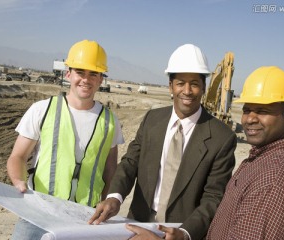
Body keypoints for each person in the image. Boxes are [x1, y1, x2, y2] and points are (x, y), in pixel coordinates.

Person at [88, 44, 237, 240]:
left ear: (203, 87)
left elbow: (213, 197)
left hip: (180, 231)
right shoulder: (152, 120)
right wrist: (114, 197)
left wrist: (184, 233)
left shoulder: (221, 137)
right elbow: (130, 162)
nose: (187, 91)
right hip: (139, 225)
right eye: (180, 83)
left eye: (194, 83)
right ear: (170, 86)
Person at [7, 39, 124, 239]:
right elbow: (17, 156)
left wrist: (106, 203)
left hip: (85, 217)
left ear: (100, 79)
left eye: (93, 74)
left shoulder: (110, 121)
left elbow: (110, 170)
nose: (86, 80)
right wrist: (18, 181)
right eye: (80, 72)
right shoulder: (42, 110)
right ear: (69, 74)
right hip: (38, 212)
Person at [206, 66, 284, 239]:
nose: (250, 119)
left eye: (263, 111)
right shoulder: (265, 158)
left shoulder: (272, 185)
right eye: (247, 110)